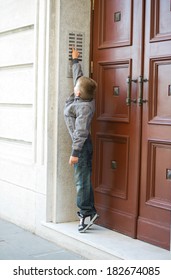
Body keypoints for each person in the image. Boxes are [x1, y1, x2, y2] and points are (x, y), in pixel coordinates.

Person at [64, 48, 99, 233]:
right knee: (83, 180)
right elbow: (81, 81)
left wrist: (75, 153)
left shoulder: (84, 109)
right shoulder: (85, 96)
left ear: (77, 93)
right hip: (82, 146)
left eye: (75, 88)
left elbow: (80, 132)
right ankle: (89, 211)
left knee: (81, 182)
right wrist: (75, 61)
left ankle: (86, 214)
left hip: (82, 147)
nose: (74, 87)